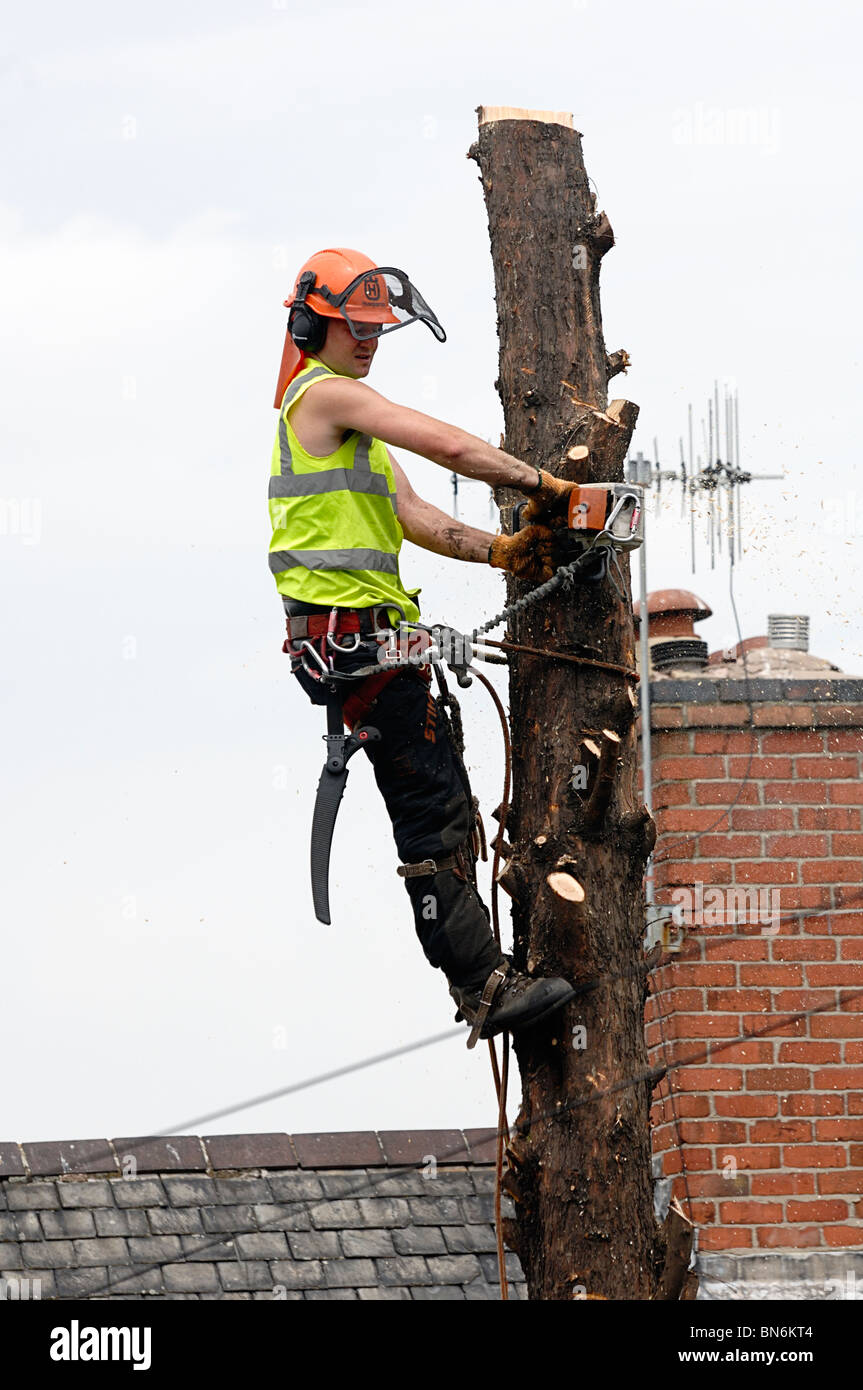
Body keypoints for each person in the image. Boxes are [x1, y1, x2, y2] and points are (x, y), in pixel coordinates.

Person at [269, 247, 580, 1046]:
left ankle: (485, 973)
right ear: (312, 325)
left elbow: (415, 514)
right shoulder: (326, 396)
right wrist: (544, 488)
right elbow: (445, 445)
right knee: (430, 808)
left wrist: (497, 551)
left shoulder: (352, 436)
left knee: (441, 795)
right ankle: (481, 985)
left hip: (368, 639)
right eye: (355, 327)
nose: (369, 341)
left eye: (377, 329)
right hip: (352, 641)